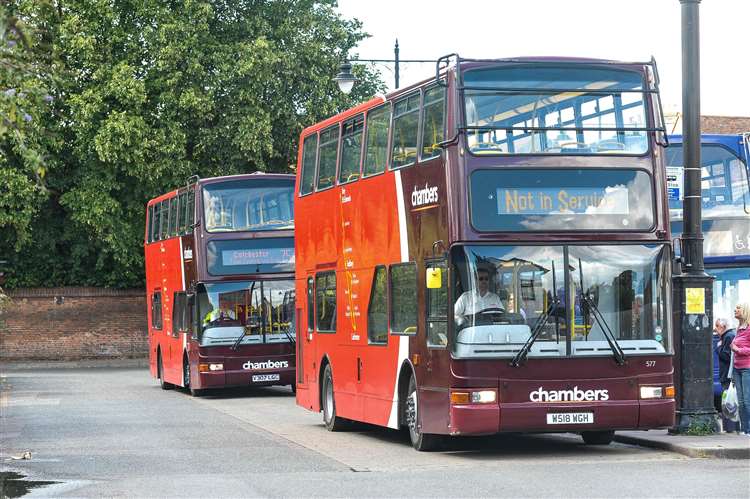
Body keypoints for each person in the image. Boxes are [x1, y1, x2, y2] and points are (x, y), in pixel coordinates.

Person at [729, 302, 750, 435]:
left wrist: (737, 349)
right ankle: (744, 429)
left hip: (747, 368)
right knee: (741, 402)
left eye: (738, 308)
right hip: (737, 368)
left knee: (747, 401)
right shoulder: (738, 328)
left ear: (745, 311)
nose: (735, 310)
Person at [713, 317, 737, 432]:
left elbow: (727, 356)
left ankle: (731, 427)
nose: (715, 329)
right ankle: (730, 427)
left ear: (722, 327)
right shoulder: (728, 336)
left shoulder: (728, 336)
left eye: (717, 326)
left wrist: (718, 348)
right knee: (727, 401)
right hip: (726, 374)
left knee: (728, 401)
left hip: (727, 375)